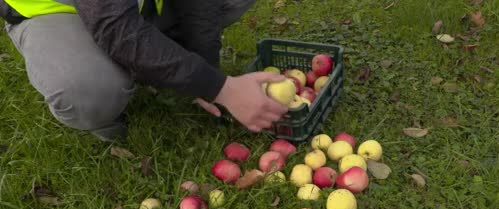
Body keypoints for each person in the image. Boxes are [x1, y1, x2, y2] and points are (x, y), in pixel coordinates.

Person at [0, 0, 288, 142]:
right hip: (56, 13)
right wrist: (221, 88)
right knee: (88, 88)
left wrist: (207, 67)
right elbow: (113, 24)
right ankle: (104, 102)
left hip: (126, 8)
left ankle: (154, 56)